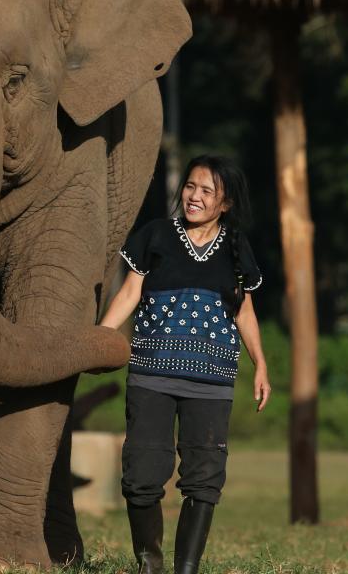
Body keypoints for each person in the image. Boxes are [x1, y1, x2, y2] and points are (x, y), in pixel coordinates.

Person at [99, 154, 271, 574]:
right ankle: (150, 564)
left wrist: (261, 365)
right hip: (150, 376)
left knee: (204, 478)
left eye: (206, 191)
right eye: (190, 187)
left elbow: (244, 313)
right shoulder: (156, 234)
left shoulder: (235, 246)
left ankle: (186, 569)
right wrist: (100, 338)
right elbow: (129, 295)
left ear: (224, 203)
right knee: (141, 474)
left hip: (212, 384)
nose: (194, 197)